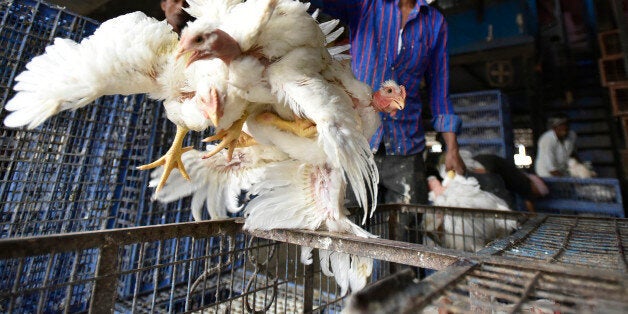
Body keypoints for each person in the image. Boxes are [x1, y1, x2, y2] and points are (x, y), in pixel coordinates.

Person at [310, 0, 465, 211]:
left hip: (406, 146)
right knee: (351, 227)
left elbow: (439, 90)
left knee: (407, 232)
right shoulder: (366, 4)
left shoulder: (434, 22)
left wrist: (452, 148)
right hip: (356, 144)